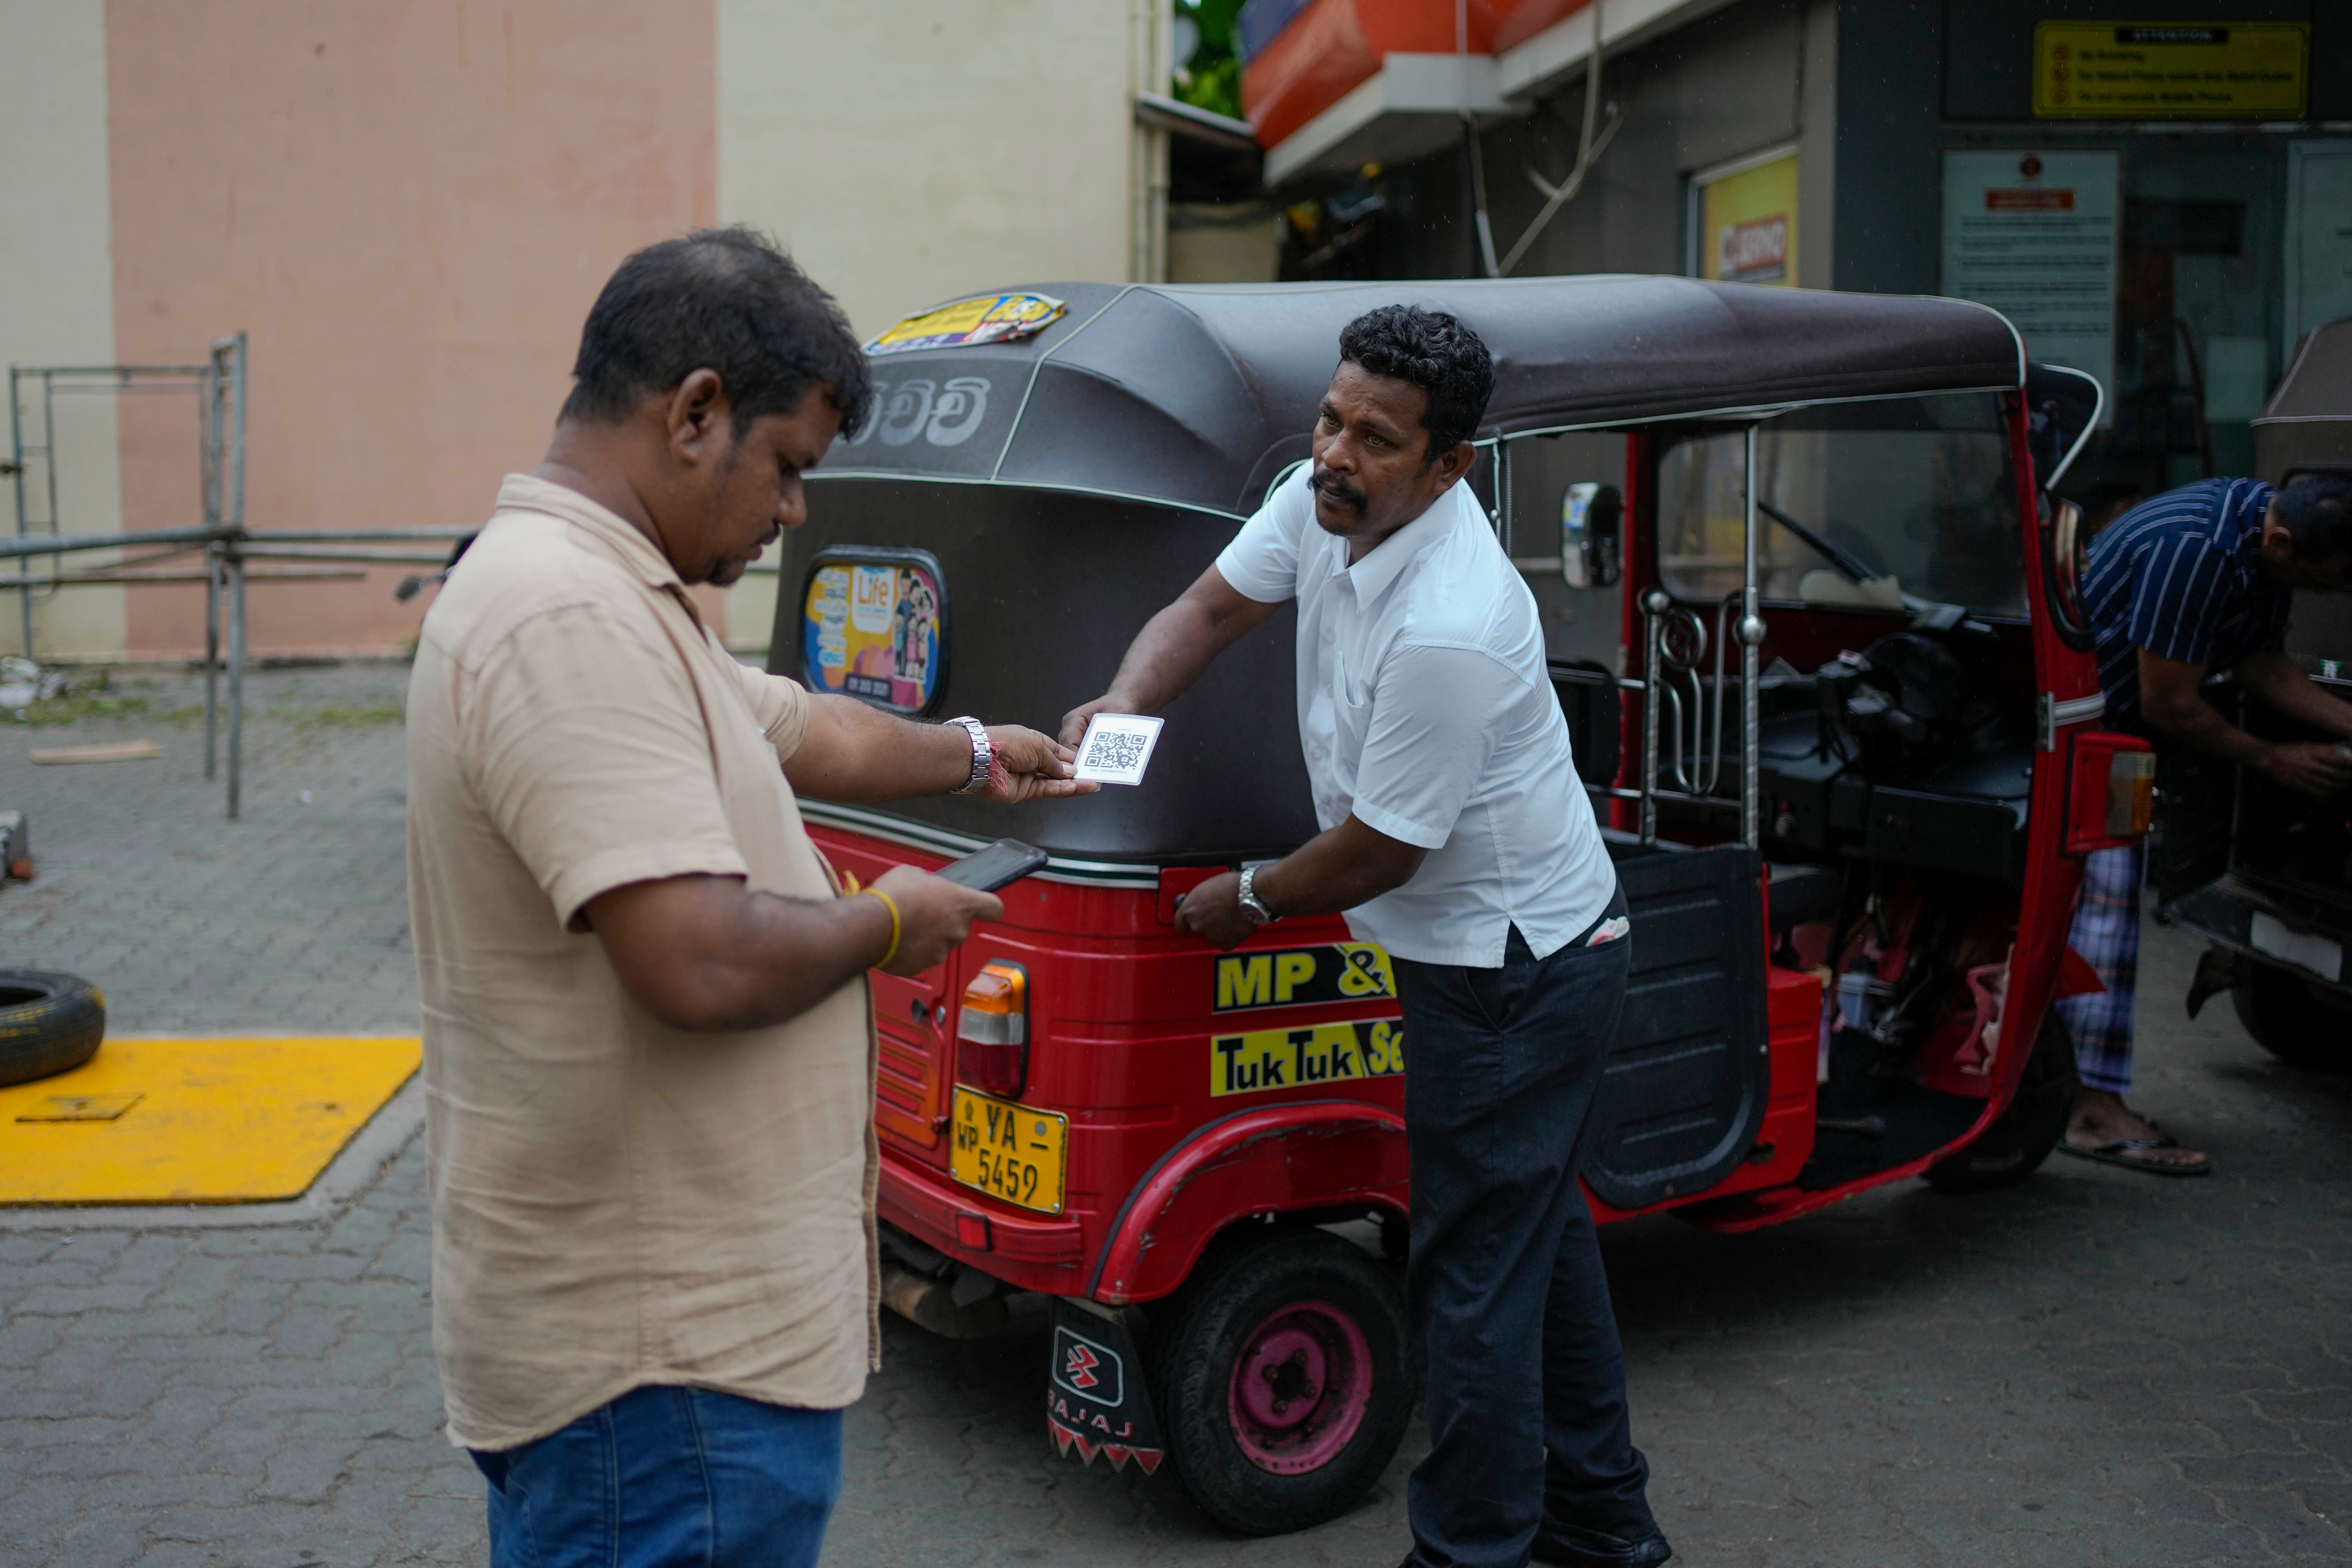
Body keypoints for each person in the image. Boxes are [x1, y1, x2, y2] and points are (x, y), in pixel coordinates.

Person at [406, 227, 1091, 1568]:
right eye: (787, 470)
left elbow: (801, 725)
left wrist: (969, 750)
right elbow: (701, 962)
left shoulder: (616, 594)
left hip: (672, 1371)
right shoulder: (568, 621)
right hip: (657, 1381)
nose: (792, 514)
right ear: (696, 411)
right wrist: (898, 920)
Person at [1063, 306, 1668, 1568]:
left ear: (1448, 466)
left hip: (1515, 971)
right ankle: (1604, 1523)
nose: (1336, 452)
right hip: (1486, 953)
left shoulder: (1451, 621)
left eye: (1376, 439)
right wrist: (1120, 706)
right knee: (1532, 1246)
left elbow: (1383, 849)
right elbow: (1207, 609)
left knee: (1470, 1285)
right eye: (1330, 420)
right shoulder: (1320, 496)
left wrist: (1250, 896)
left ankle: (1470, 1549)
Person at [2060, 472, 2352, 1175]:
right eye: (2316, 581)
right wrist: (2274, 760)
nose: (2318, 593)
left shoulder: (2259, 536)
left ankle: (2061, 1092)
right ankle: (2093, 1113)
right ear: (2282, 543)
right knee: (2103, 923)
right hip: (2083, 738)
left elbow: (2260, 664)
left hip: (2113, 736)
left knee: (2091, 921)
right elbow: (2172, 705)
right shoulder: (2195, 548)